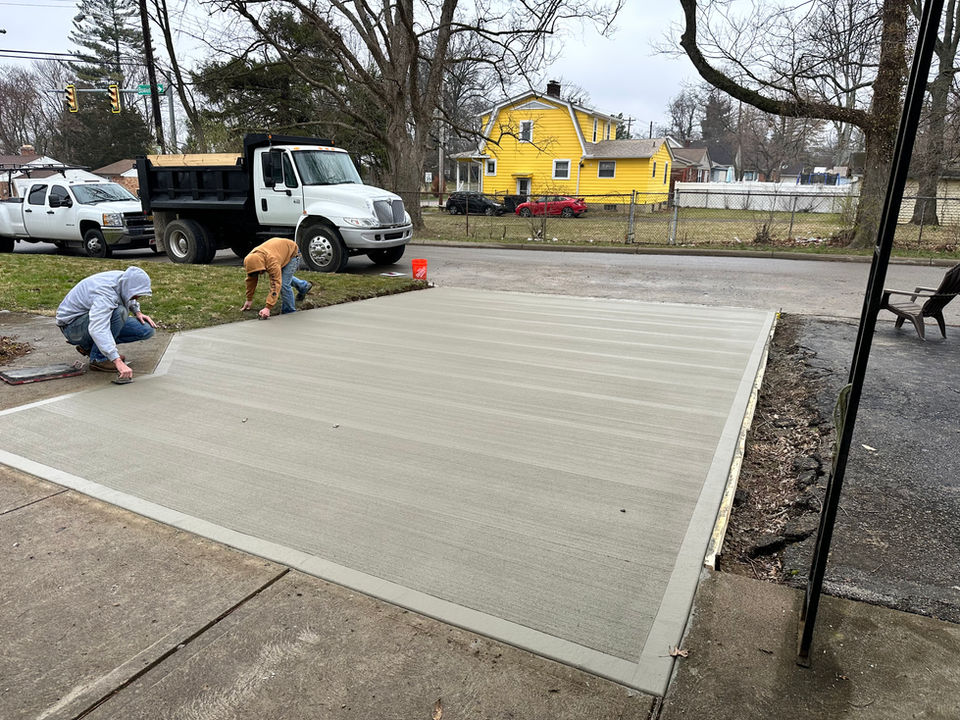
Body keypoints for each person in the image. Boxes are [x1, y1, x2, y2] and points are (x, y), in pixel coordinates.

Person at [56, 266, 157, 380]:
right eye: (136, 295)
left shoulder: (124, 279)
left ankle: (90, 347)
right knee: (119, 312)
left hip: (88, 320)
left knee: (146, 330)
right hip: (72, 327)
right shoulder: (104, 294)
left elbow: (128, 295)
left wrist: (137, 311)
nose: (137, 297)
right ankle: (99, 359)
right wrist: (117, 360)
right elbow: (98, 328)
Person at [240, 237, 312, 319]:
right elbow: (251, 281)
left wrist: (268, 307)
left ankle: (289, 311)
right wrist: (249, 299)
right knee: (284, 278)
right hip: (279, 253)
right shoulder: (251, 261)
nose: (259, 274)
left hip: (292, 253)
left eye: (259, 272)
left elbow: (276, 283)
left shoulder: (272, 262)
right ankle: (304, 286)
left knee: (284, 284)